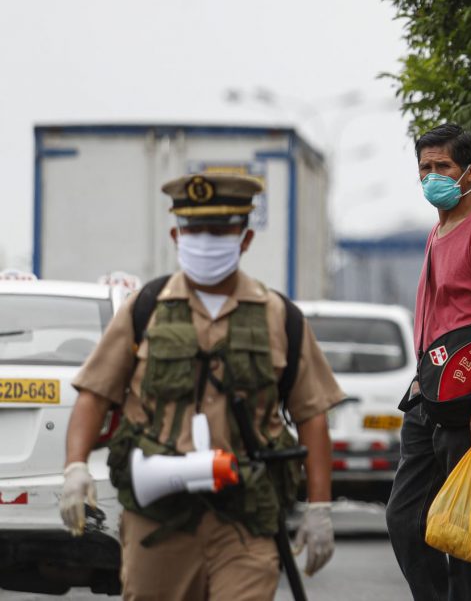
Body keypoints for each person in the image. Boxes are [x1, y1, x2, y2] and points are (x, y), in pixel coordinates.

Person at [59, 172, 344, 600]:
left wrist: (319, 507)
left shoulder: (280, 316)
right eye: (194, 230)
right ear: (176, 234)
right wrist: (75, 466)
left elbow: (312, 414)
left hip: (245, 516)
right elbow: (95, 393)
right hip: (158, 518)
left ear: (244, 239)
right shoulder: (145, 308)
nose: (205, 240)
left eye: (219, 230)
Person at [386, 123, 471, 601]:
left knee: (468, 529)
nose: (431, 177)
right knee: (406, 520)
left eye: (442, 167)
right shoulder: (440, 227)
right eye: (424, 168)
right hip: (429, 395)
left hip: (469, 399)